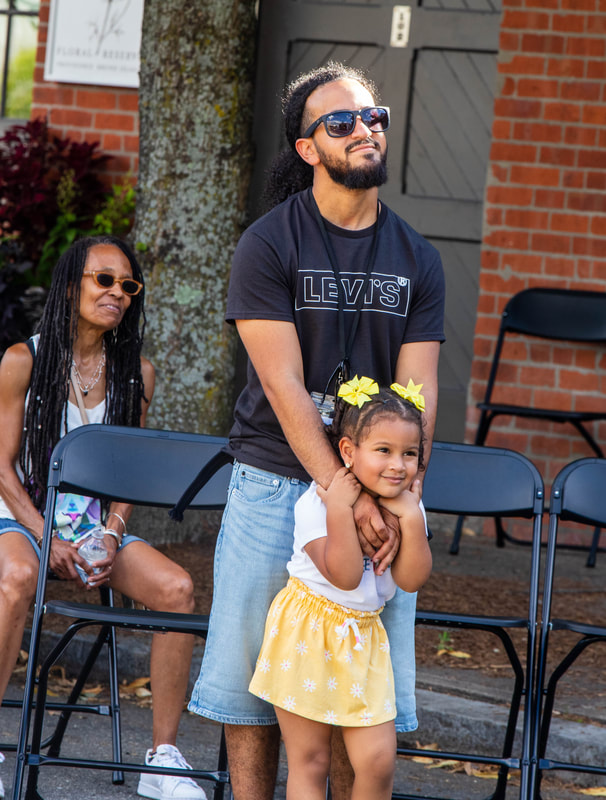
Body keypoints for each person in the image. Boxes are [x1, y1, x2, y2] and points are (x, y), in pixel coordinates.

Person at [188, 61, 445, 800]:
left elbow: (418, 390)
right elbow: (283, 385)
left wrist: (397, 490)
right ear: (307, 148)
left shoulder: (418, 258)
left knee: (358, 689)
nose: (365, 129)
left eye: (374, 117)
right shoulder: (268, 245)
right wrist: (341, 490)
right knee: (252, 683)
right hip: (276, 479)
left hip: (382, 481)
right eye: (341, 122)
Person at [0, 235, 207, 800]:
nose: (118, 292)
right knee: (16, 577)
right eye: (104, 280)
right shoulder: (24, 361)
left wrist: (111, 534)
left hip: (90, 529)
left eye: (128, 286)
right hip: (21, 520)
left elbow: (129, 474)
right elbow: (0, 468)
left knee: (176, 588)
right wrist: (46, 536)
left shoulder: (137, 373)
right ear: (71, 285)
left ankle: (162, 760)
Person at [249, 377, 432, 799]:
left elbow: (411, 579)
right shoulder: (316, 503)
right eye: (383, 451)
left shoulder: (407, 504)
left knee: (377, 760)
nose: (398, 465)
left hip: (364, 638)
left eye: (409, 454)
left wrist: (411, 519)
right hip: (308, 632)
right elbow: (345, 575)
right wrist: (338, 507)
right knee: (311, 761)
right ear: (348, 451)